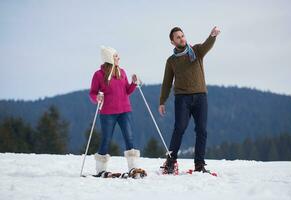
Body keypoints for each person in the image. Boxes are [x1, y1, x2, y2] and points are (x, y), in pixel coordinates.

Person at [159, 26, 220, 174]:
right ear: (172, 42)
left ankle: (199, 165)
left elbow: (207, 46)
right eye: (178, 37)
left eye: (182, 35)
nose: (182, 38)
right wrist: (162, 101)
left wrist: (212, 36)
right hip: (182, 99)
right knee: (179, 128)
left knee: (202, 130)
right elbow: (167, 82)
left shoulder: (197, 51)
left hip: (200, 97)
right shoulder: (171, 61)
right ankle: (170, 162)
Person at [89, 46, 146, 178]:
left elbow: (127, 91)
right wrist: (97, 97)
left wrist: (133, 83)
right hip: (107, 113)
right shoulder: (98, 75)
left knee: (129, 138)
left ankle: (133, 168)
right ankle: (100, 169)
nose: (118, 58)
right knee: (106, 139)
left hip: (125, 111)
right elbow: (92, 93)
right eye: (115, 56)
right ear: (109, 58)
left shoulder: (122, 72)